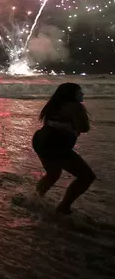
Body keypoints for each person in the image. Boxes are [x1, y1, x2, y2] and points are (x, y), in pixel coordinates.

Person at [32, 83, 96, 214]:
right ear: (72, 94)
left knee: (53, 173)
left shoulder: (52, 106)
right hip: (56, 143)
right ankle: (64, 207)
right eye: (80, 92)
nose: (82, 94)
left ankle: (34, 199)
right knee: (86, 176)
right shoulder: (75, 106)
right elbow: (85, 127)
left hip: (40, 139)